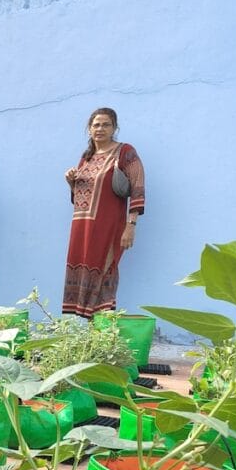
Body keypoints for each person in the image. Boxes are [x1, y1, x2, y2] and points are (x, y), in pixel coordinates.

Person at [62, 107, 145, 317]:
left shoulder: (124, 152)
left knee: (105, 272)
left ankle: (104, 332)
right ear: (89, 129)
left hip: (108, 226)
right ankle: (93, 334)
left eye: (106, 124)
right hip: (82, 226)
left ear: (114, 128)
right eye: (96, 125)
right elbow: (80, 199)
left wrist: (131, 226)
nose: (100, 129)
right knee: (83, 271)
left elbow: (138, 187)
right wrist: (71, 183)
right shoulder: (86, 157)